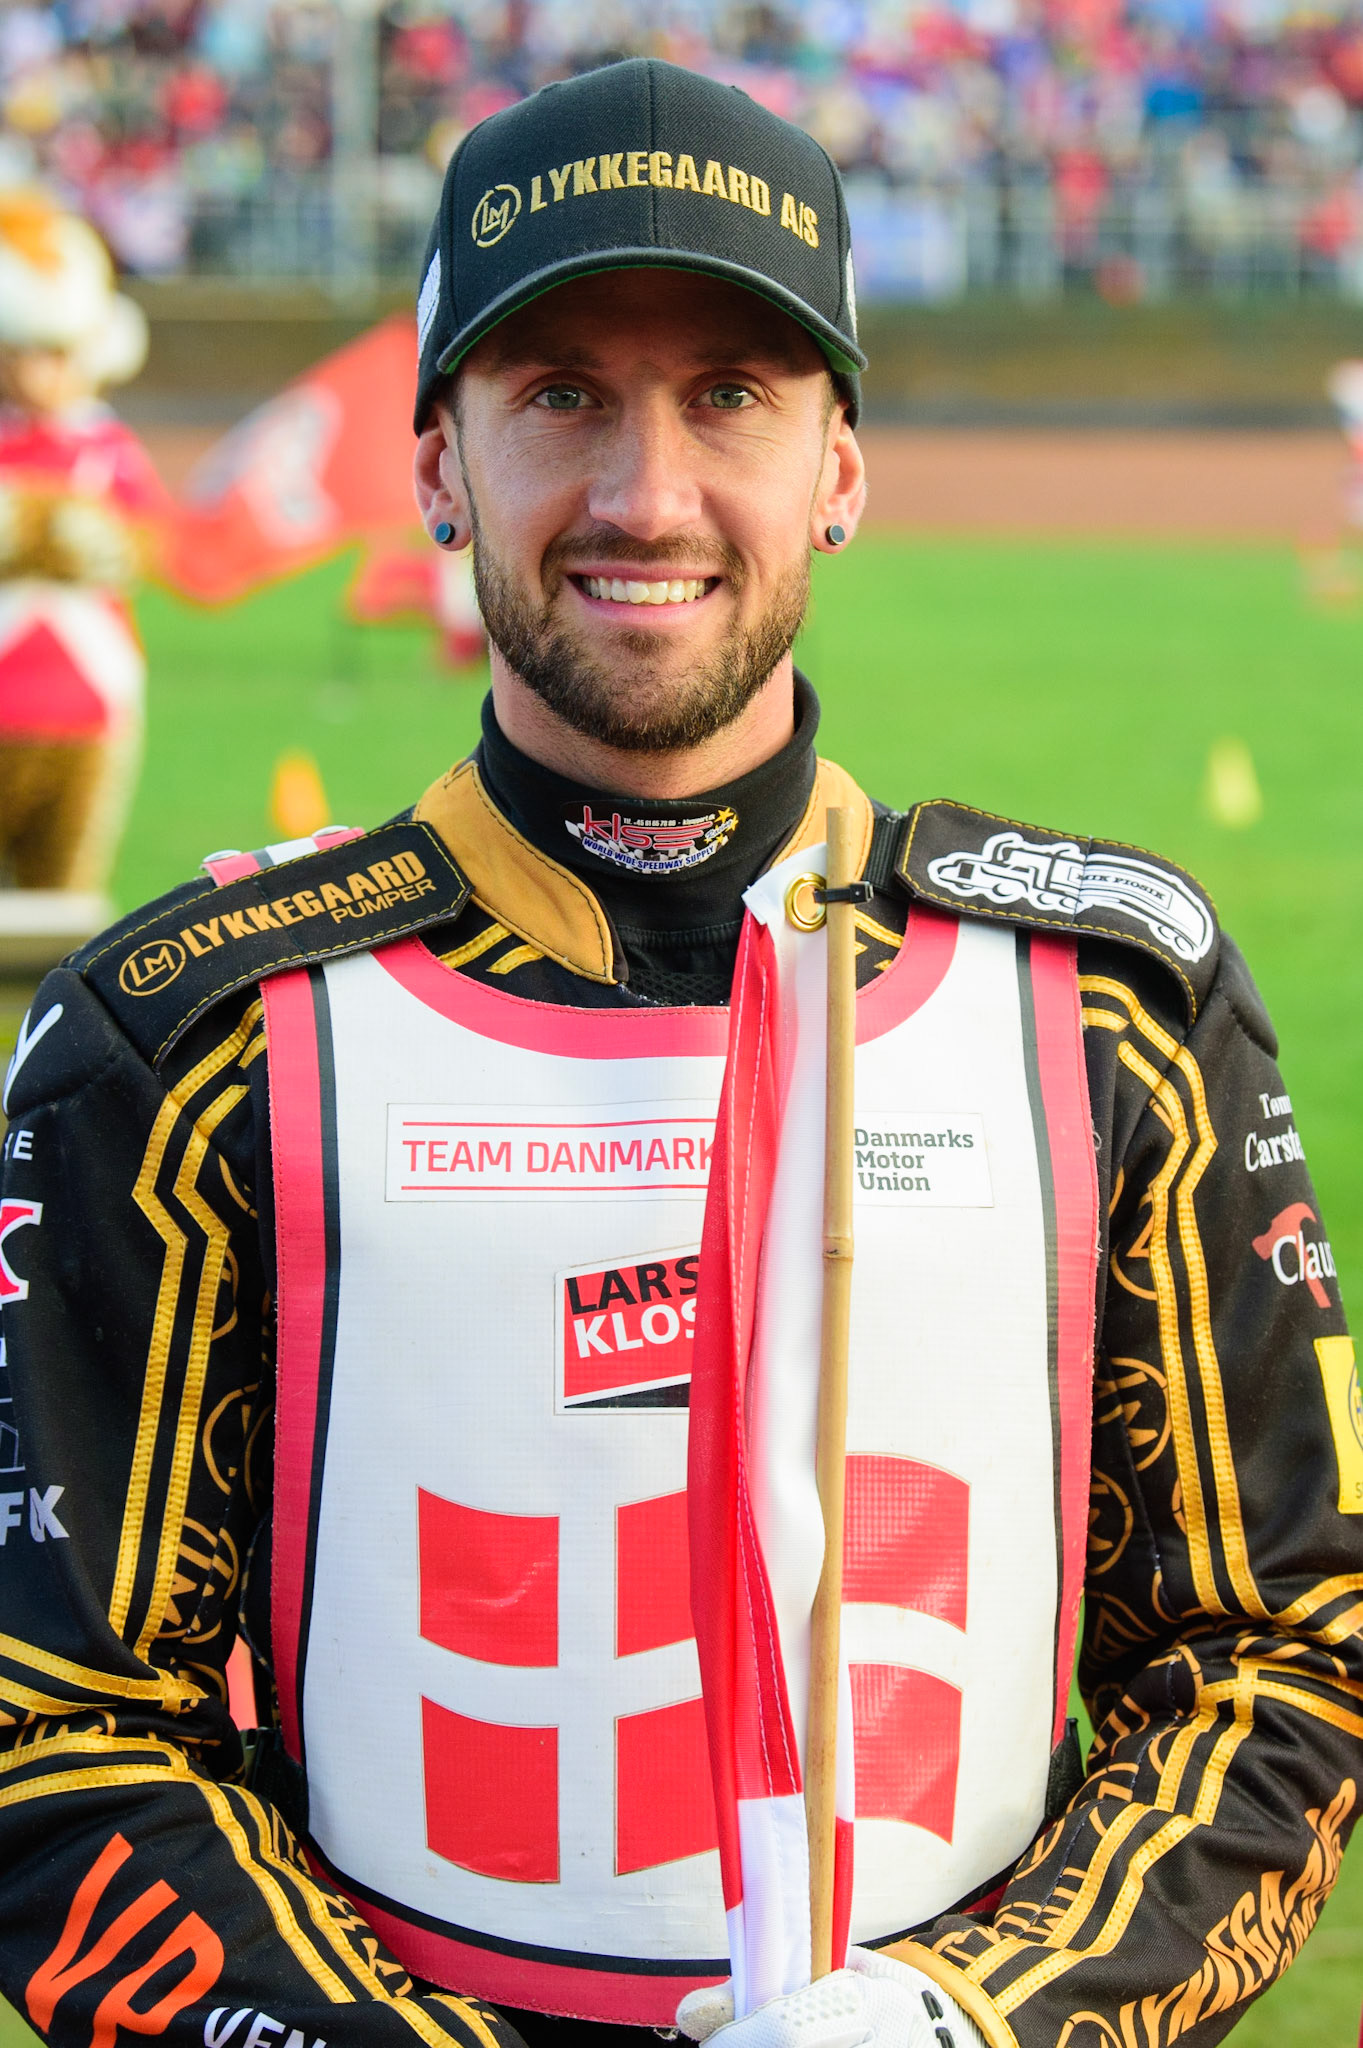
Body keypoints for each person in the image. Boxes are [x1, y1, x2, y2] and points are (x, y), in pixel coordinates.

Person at [0, 59, 1358, 2048]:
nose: (645, 493)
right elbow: (50, 1740)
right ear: (440, 463)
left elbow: (1275, 1667)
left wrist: (960, 2018)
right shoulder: (185, 1039)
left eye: (729, 392)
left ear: (843, 466)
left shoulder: (1111, 1005)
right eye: (559, 392)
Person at [0, 189, 167, 894]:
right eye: (31, 352)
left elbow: (146, 542)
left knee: (64, 906)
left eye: (64, 350)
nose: (51, 370)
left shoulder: (106, 447)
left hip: (89, 705)